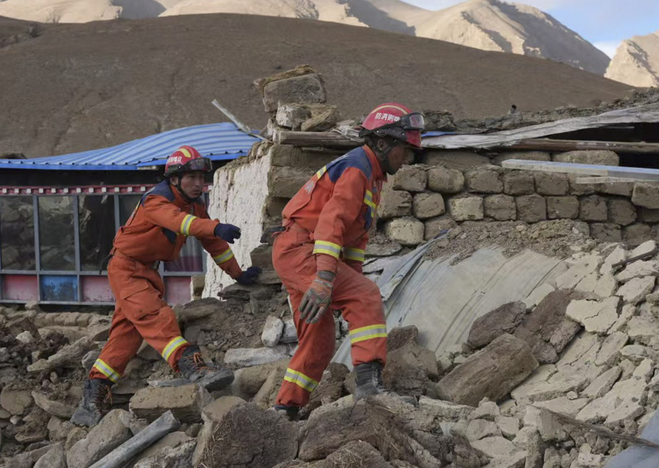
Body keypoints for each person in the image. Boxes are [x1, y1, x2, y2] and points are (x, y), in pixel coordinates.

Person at [71, 145, 260, 427]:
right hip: (126, 269)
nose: (199, 184)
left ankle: (92, 399)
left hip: (146, 271)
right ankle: (192, 367)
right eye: (191, 177)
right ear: (174, 179)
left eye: (201, 178)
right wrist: (214, 226)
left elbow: (214, 245)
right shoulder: (157, 201)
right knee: (156, 316)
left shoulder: (194, 206)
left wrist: (237, 274)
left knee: (126, 336)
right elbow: (181, 223)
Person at [271, 103, 425, 418]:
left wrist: (345, 281)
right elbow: (331, 224)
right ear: (382, 143)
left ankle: (284, 408)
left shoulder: (372, 175)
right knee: (366, 294)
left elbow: (354, 239)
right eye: (404, 149)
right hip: (303, 249)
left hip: (300, 250)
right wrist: (327, 279)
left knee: (320, 341)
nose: (407, 157)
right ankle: (369, 389)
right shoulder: (358, 169)